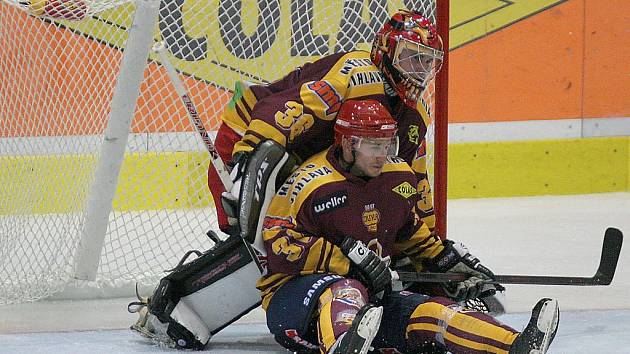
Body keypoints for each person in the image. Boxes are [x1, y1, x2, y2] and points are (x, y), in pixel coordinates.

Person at [256, 99, 559, 354]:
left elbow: (408, 231)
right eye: (374, 146)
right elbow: (278, 242)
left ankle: (515, 344)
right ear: (348, 144)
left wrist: (448, 261)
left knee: (433, 312)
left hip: (371, 300)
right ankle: (342, 346)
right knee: (345, 289)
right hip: (294, 301)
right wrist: (345, 264)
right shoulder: (311, 183)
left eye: (388, 144)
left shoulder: (397, 177)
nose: (383, 154)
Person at [209, 9, 443, 238]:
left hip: (295, 154)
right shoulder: (355, 76)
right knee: (254, 232)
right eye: (412, 57)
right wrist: (246, 163)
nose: (420, 70)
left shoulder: (417, 114)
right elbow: (278, 114)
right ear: (386, 49)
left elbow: (414, 180)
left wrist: (428, 243)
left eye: (426, 61)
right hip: (247, 134)